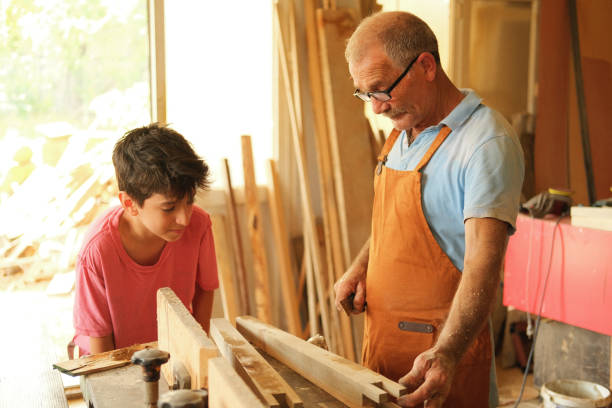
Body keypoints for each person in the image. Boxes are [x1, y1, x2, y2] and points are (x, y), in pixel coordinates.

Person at [333, 11, 524, 408]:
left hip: (439, 365)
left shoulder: (485, 143)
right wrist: (361, 265)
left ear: (426, 65)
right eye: (365, 94)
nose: (376, 108)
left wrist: (448, 354)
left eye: (382, 90)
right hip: (384, 350)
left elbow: (484, 266)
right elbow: (400, 224)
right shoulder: (403, 131)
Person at [73, 123, 219, 356]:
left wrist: (198, 351)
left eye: (189, 201)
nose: (184, 218)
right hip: (109, 358)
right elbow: (99, 337)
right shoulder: (98, 249)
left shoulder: (199, 225)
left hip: (171, 352)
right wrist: (113, 384)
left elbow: (205, 289)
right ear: (130, 204)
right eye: (169, 207)